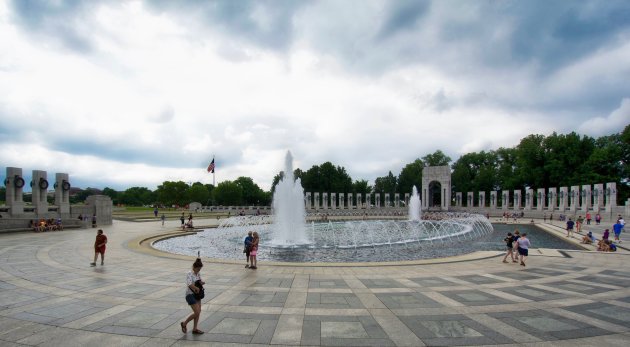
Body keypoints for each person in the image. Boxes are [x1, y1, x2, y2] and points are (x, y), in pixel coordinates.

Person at [181, 258, 205, 335]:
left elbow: (199, 281)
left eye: (200, 269)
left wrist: (201, 283)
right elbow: (189, 284)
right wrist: (196, 288)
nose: (199, 270)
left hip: (197, 294)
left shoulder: (198, 274)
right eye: (198, 269)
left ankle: (195, 329)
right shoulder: (189, 273)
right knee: (197, 312)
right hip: (190, 295)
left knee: (198, 312)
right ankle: (184, 323)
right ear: (194, 267)